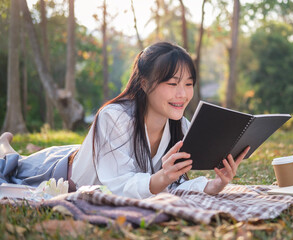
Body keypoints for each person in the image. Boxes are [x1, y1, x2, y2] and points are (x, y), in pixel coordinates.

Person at [0, 42, 250, 199]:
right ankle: (5, 144)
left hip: (96, 154)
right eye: (173, 84)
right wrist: (161, 178)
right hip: (60, 171)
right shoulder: (114, 117)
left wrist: (214, 185)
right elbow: (117, 186)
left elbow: (175, 185)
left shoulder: (182, 127)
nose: (182, 94)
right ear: (144, 84)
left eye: (188, 84)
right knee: (13, 166)